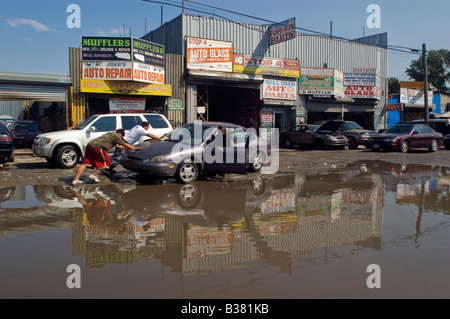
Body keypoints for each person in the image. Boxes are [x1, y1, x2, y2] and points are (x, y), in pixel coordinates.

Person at [72, 129, 143, 185]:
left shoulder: (110, 133)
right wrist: (134, 148)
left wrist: (127, 148)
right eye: (121, 137)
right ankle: (93, 175)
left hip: (90, 145)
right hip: (98, 147)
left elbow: (118, 146)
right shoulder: (116, 136)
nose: (121, 138)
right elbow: (125, 144)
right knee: (106, 163)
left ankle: (75, 180)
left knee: (85, 163)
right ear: (120, 134)